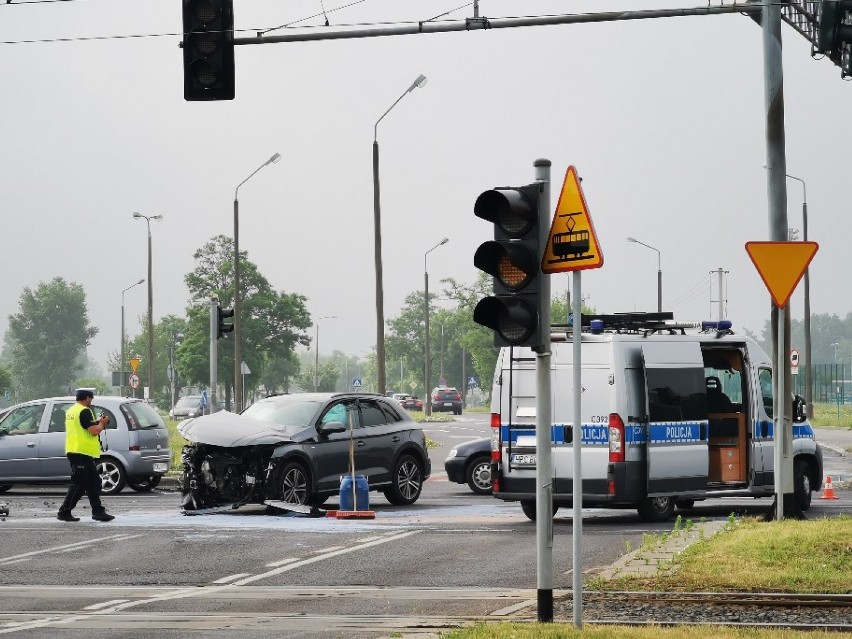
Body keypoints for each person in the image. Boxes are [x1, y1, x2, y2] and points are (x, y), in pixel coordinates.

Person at [57, 389, 115, 522]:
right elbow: (94, 431)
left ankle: (98, 511)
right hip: (81, 453)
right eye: (91, 399)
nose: (91, 401)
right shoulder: (84, 411)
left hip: (78, 451)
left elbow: (84, 426)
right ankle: (64, 512)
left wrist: (97, 421)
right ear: (87, 398)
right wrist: (102, 423)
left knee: (93, 483)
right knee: (79, 484)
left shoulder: (72, 411)